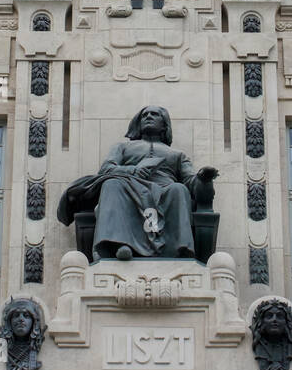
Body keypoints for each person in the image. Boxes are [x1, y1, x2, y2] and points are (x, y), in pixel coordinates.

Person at [58, 105, 217, 260]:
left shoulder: (177, 155)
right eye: (144, 115)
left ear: (164, 125)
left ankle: (178, 249)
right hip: (128, 186)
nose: (148, 117)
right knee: (112, 184)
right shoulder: (123, 147)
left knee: (179, 189)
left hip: (164, 189)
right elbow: (106, 169)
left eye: (154, 114)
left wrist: (203, 178)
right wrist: (133, 171)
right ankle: (119, 244)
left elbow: (190, 182)